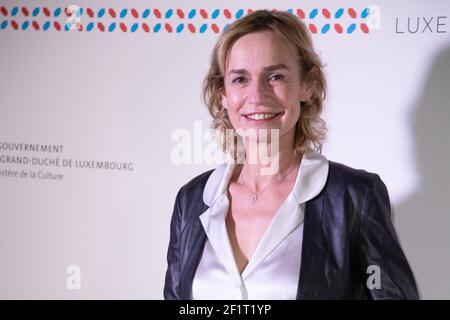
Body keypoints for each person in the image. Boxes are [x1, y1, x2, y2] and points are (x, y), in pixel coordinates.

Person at [164, 9, 419, 300]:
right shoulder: (192, 199)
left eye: (275, 76)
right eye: (240, 79)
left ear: (307, 85)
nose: (257, 96)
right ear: (222, 94)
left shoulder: (353, 197)